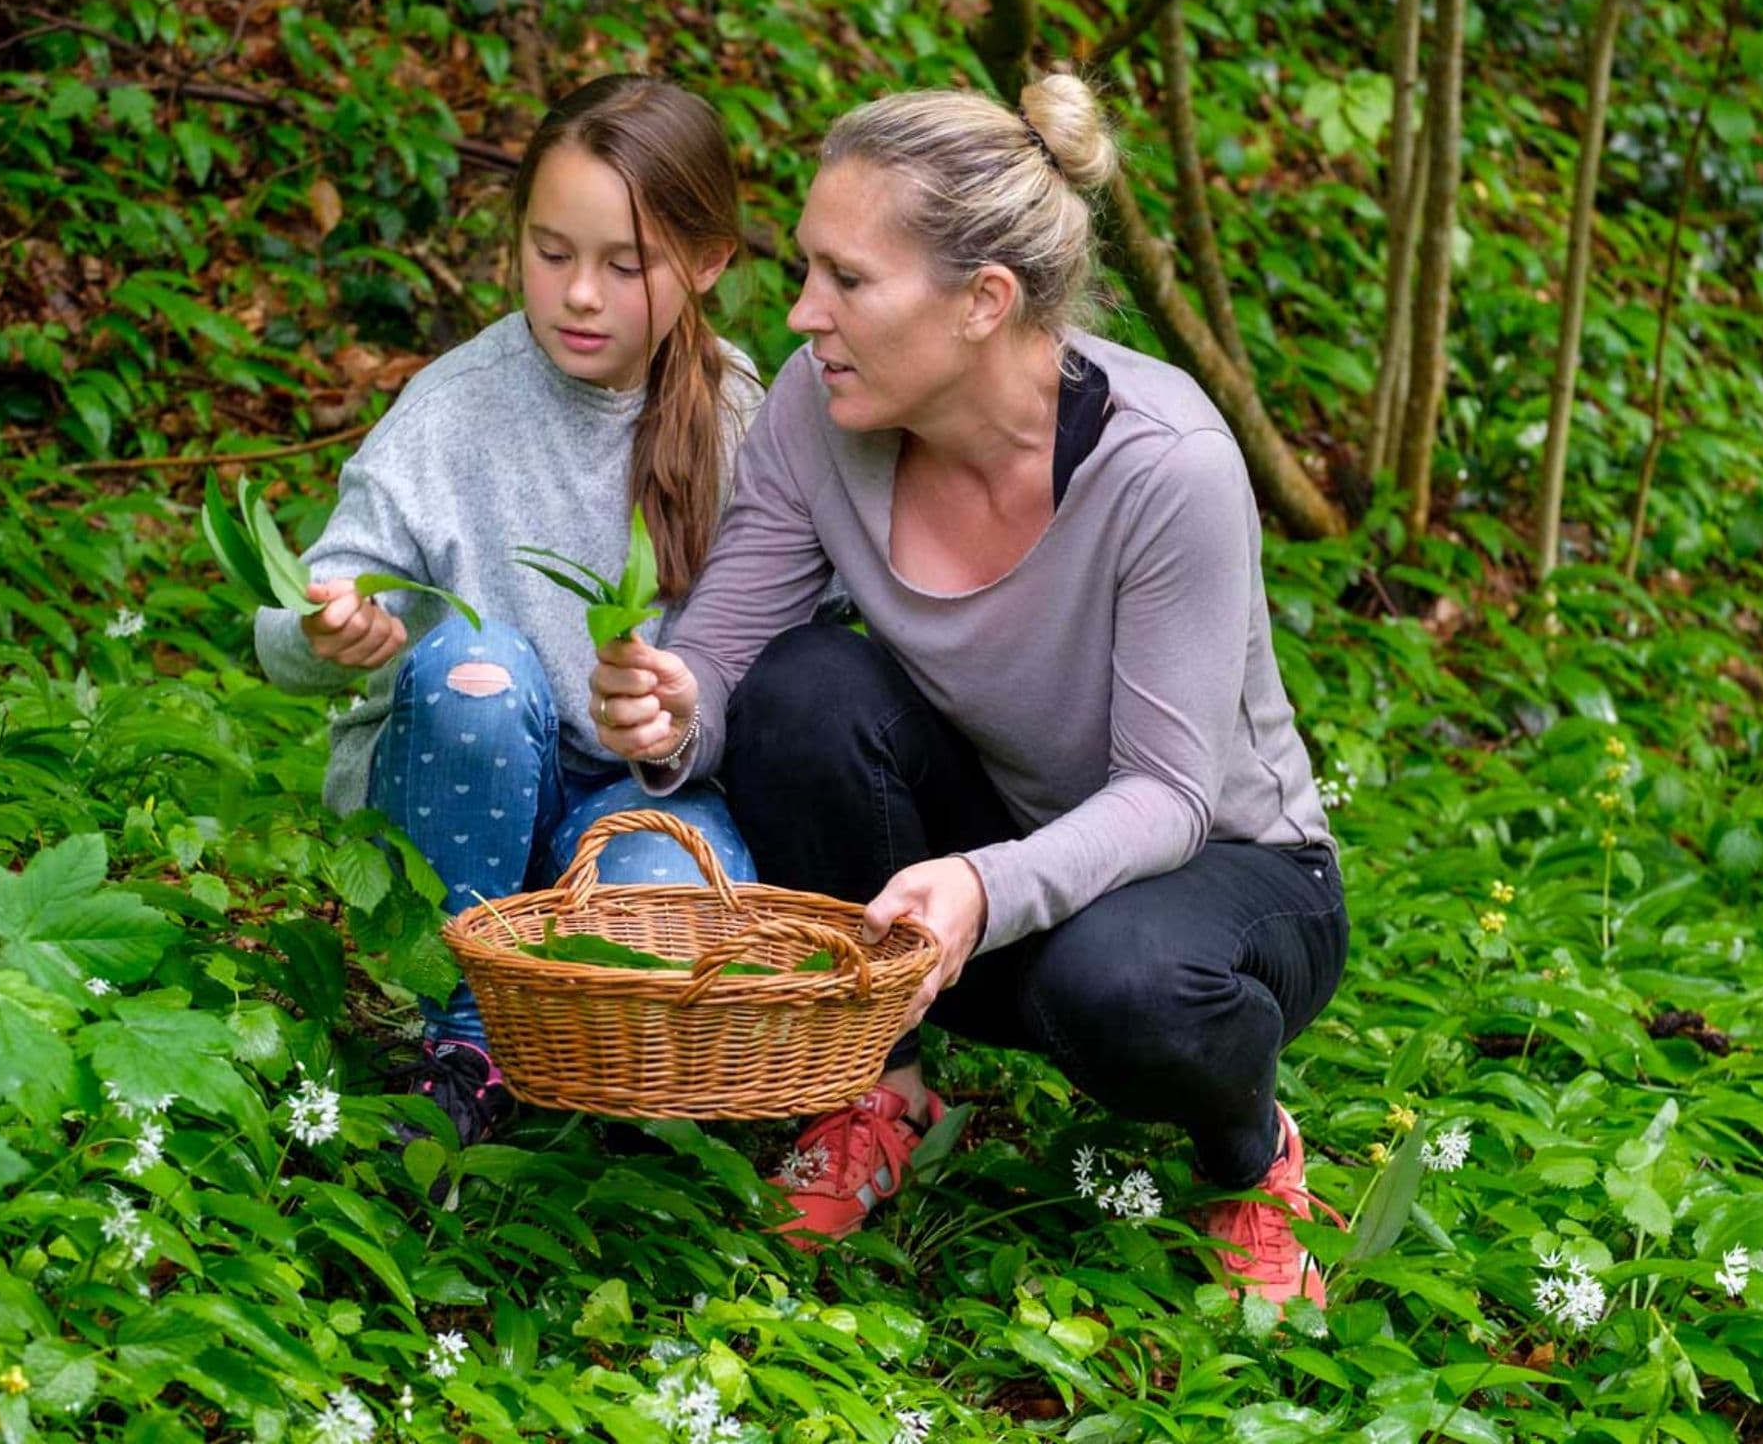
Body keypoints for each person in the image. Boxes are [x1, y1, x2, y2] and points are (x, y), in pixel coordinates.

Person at [589, 76, 1350, 1304]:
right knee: (801, 691)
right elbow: (726, 661)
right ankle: (877, 1085)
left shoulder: (1167, 467)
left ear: (983, 302)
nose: (800, 314)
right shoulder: (817, 411)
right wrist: (676, 705)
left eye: (847, 280)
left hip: (1228, 875)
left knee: (1110, 980)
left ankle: (1247, 1157)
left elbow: (1167, 797)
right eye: (803, 270)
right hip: (990, 866)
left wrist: (983, 886)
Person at [255, 74, 762, 1147]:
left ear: (707, 262)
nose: (581, 294)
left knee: (675, 923)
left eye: (626, 267)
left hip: (628, 800)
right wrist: (326, 635)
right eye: (551, 253)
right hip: (460, 788)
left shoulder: (736, 417)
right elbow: (293, 629)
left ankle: (588, 1056)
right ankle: (460, 1035)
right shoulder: (454, 408)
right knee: (473, 668)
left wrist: (687, 712)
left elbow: (814, 628)